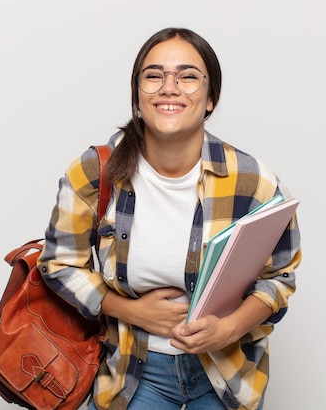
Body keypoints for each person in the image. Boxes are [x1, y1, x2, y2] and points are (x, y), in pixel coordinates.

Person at [38, 27, 301, 410]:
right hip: (130, 372)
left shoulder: (253, 180)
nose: (170, 87)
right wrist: (130, 311)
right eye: (154, 75)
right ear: (138, 95)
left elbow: (279, 277)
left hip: (226, 375)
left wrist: (228, 328)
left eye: (188, 76)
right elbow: (60, 263)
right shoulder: (96, 171)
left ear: (210, 98)